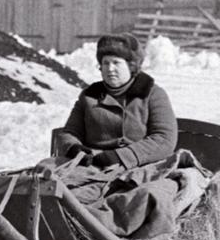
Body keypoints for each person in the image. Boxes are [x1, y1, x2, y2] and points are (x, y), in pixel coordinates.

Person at [58, 33, 178, 170]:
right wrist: (74, 148)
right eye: (105, 63)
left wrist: (120, 156)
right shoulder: (89, 95)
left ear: (131, 66)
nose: (110, 69)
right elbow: (69, 132)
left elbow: (164, 139)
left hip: (138, 166)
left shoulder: (152, 94)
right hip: (92, 165)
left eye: (116, 63)